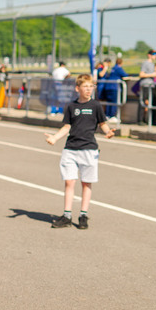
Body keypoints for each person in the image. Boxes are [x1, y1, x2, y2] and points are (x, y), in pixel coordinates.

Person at [45, 74, 115, 230]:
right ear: (78, 88)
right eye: (85, 86)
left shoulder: (96, 105)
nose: (89, 89)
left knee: (86, 183)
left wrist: (108, 132)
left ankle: (83, 215)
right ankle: (67, 215)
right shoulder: (71, 106)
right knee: (69, 181)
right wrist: (55, 138)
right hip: (71, 149)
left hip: (89, 149)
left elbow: (103, 123)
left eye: (91, 86)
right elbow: (66, 127)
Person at [137, 50, 156, 124]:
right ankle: (140, 120)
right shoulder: (146, 63)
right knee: (143, 103)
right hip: (146, 85)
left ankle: (151, 120)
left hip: (151, 86)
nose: (155, 56)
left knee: (152, 103)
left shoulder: (152, 64)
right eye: (153, 54)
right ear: (149, 55)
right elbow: (141, 74)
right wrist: (153, 75)